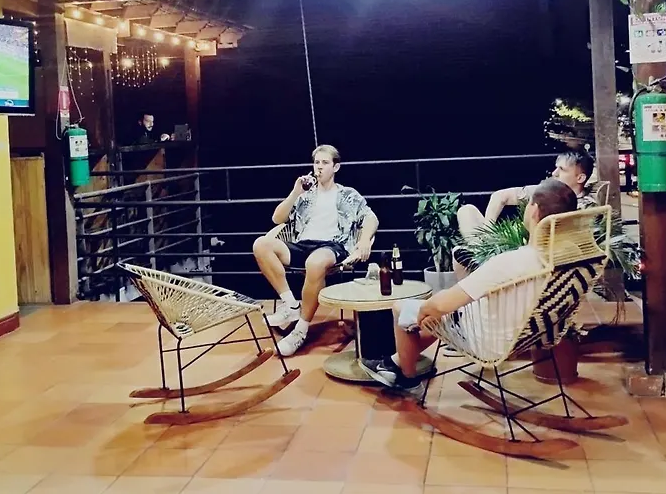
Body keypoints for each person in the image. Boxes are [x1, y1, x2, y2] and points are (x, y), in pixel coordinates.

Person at [360, 178, 578, 390]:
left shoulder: (512, 262)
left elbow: (441, 306)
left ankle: (407, 380)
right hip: (532, 334)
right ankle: (393, 362)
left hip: (490, 341)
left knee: (404, 308)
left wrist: (424, 311)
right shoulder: (572, 257)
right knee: (441, 311)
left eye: (528, 203)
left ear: (534, 210)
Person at [252, 144, 378, 356]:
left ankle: (300, 331)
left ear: (335, 167)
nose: (319, 167)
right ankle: (291, 306)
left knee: (315, 262)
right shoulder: (305, 196)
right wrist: (295, 192)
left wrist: (364, 240)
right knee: (261, 244)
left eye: (325, 163)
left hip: (332, 245)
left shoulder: (347, 194)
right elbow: (277, 218)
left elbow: (371, 218)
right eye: (316, 162)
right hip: (303, 244)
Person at [452, 150, 595, 272]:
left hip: (532, 255)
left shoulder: (585, 207)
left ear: (580, 178)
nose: (554, 173)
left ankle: (483, 261)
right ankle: (481, 253)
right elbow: (499, 196)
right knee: (467, 211)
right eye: (556, 168)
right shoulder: (547, 191)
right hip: (514, 247)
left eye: (562, 170)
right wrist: (487, 234)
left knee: (458, 255)